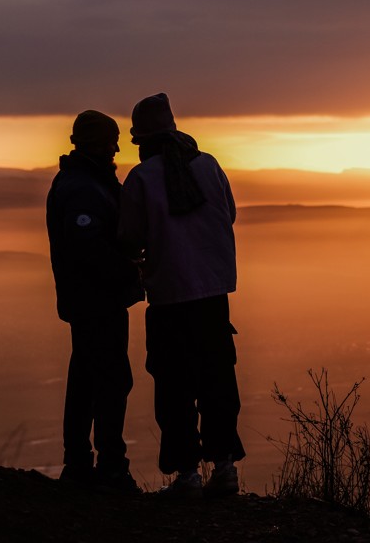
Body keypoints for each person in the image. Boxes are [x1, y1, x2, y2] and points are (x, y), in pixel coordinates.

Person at [118, 93, 245, 499]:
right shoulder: (208, 166)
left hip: (170, 297)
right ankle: (224, 468)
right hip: (212, 294)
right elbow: (230, 214)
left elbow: (129, 237)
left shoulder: (141, 179)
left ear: (142, 141)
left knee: (174, 385)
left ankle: (187, 474)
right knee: (217, 379)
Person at [46, 110, 144, 494]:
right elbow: (88, 247)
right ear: (96, 143)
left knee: (86, 380)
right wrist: (128, 270)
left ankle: (80, 466)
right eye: (111, 140)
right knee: (110, 380)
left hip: (89, 300)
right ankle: (110, 469)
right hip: (97, 301)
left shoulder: (82, 181)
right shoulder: (85, 187)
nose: (116, 148)